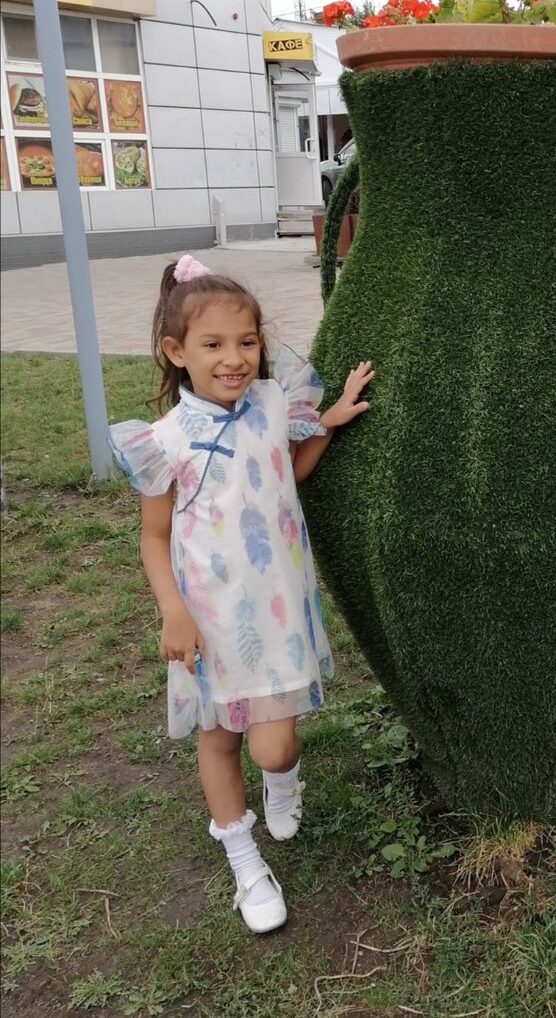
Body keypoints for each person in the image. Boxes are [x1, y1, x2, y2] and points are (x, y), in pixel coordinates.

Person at [109, 256, 374, 933]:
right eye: (214, 345)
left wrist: (331, 421)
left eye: (247, 342)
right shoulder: (163, 442)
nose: (235, 359)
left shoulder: (271, 403)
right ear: (177, 352)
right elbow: (153, 536)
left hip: (277, 612)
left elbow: (289, 471)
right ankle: (243, 859)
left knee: (274, 747)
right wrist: (173, 610)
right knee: (220, 739)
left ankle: (284, 781)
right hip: (210, 621)